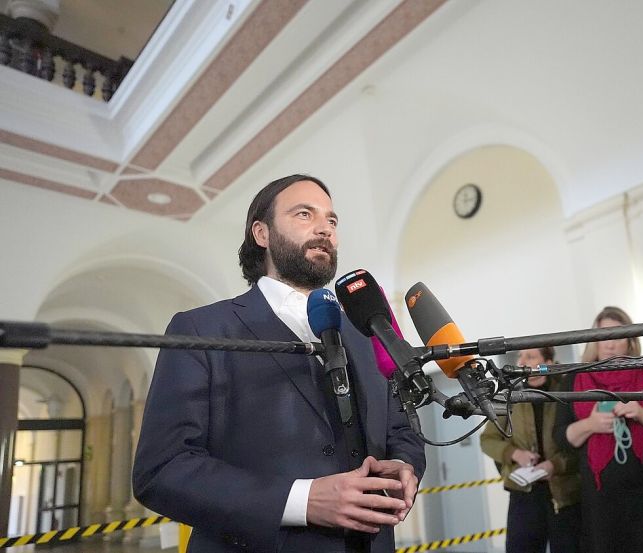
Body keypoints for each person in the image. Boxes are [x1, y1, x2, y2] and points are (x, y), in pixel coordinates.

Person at [132, 175, 426, 553]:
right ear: (262, 233)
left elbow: (402, 428)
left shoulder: (366, 332)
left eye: (332, 221)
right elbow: (162, 470)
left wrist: (405, 466)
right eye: (305, 214)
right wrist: (303, 501)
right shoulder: (201, 329)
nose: (325, 229)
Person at [554, 306, 643, 553]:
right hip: (601, 500)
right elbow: (561, 437)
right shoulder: (573, 380)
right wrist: (590, 424)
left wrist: (640, 412)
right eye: (602, 336)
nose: (609, 344)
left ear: (630, 341)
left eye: (617, 336)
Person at [480, 347, 581, 553]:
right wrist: (514, 454)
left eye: (531, 356)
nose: (522, 361)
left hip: (564, 493)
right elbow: (488, 440)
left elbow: (580, 444)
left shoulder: (566, 392)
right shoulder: (508, 396)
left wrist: (555, 465)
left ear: (549, 363)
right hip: (523, 493)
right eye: (520, 356)